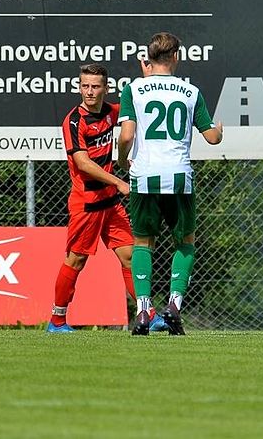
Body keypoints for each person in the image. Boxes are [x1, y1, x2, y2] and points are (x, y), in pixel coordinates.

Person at [117, 32, 223, 336]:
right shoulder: (190, 91)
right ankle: (174, 306)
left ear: (148, 58)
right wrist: (219, 131)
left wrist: (123, 160)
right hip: (178, 176)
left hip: (144, 175)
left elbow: (126, 136)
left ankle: (142, 311)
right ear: (176, 56)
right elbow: (212, 138)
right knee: (185, 242)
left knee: (142, 243)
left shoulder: (134, 89)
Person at [48, 63, 165, 333]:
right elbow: (83, 163)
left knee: (130, 256)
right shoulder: (74, 121)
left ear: (106, 88)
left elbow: (136, 102)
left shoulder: (112, 112)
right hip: (87, 204)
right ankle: (57, 320)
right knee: (75, 261)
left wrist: (147, 80)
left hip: (110, 204)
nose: (89, 91)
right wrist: (118, 182)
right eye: (85, 86)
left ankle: (148, 314)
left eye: (95, 86)